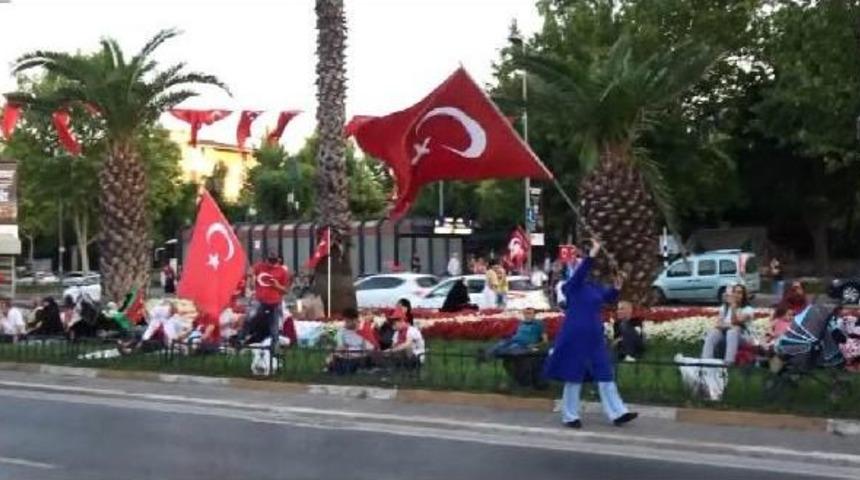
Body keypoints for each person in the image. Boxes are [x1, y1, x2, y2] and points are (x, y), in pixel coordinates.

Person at [544, 240, 637, 429]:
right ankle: (570, 416)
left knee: (605, 373)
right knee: (573, 375)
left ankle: (618, 413)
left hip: (595, 336)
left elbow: (607, 298)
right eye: (580, 266)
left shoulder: (594, 288)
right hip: (575, 337)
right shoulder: (570, 286)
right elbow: (581, 272)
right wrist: (592, 254)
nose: (586, 271)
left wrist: (616, 288)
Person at [246, 250, 291, 349]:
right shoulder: (259, 266)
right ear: (266, 259)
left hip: (274, 302)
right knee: (250, 317)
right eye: (270, 261)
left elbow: (286, 290)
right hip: (260, 300)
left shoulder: (282, 271)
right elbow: (251, 275)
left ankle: (275, 347)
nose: (272, 264)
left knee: (274, 326)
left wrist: (277, 286)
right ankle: (241, 339)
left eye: (274, 261)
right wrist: (250, 276)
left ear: (278, 260)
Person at [701, 284, 755, 364]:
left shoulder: (748, 309)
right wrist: (730, 326)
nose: (736, 295)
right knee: (714, 332)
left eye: (739, 293)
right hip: (726, 334)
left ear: (743, 296)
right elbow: (718, 324)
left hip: (743, 337)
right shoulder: (725, 308)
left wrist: (733, 307)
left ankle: (728, 363)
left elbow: (735, 321)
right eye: (734, 292)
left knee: (732, 332)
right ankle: (706, 362)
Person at [327, 308, 376, 374]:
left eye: (348, 321)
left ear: (355, 320)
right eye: (346, 321)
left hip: (360, 358)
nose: (346, 324)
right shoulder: (342, 332)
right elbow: (339, 347)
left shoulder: (363, 331)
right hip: (347, 358)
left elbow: (371, 348)